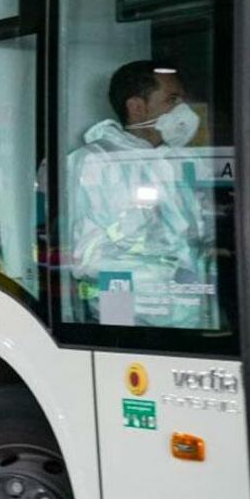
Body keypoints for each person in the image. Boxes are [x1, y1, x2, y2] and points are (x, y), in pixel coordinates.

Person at [66, 60, 212, 328]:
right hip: (128, 312)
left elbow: (197, 235)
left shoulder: (182, 162)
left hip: (188, 312)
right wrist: (169, 279)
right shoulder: (94, 162)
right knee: (123, 353)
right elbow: (89, 258)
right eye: (172, 99)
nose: (183, 110)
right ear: (136, 107)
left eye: (182, 100)